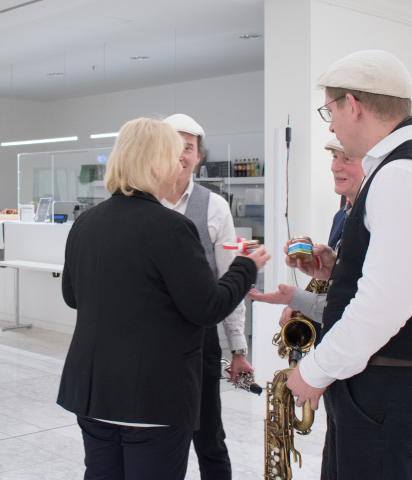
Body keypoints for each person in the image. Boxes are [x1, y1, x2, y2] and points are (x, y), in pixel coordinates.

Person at [57, 117, 270, 480]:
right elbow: (207, 307)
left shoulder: (86, 222)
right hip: (152, 399)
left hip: (93, 394)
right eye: (173, 155)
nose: (180, 164)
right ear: (156, 162)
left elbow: (72, 296)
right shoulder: (171, 227)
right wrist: (245, 266)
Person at [287, 50, 412, 480]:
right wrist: (340, 269)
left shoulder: (403, 175)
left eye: (330, 110)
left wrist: (314, 369)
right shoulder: (399, 169)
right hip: (377, 386)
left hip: (387, 390)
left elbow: (384, 305)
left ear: (354, 105)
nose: (330, 124)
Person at [162, 113, 250, 480]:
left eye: (189, 148)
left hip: (200, 345)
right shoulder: (141, 202)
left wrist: (238, 351)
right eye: (174, 146)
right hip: (151, 345)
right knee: (162, 440)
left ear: (198, 156)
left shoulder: (215, 207)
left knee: (209, 435)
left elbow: (231, 278)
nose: (181, 155)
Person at [247, 138, 364, 330]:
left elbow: (363, 300)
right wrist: (332, 270)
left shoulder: (372, 219)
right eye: (334, 157)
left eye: (347, 159)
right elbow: (349, 281)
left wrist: (299, 300)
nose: (335, 167)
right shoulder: (340, 217)